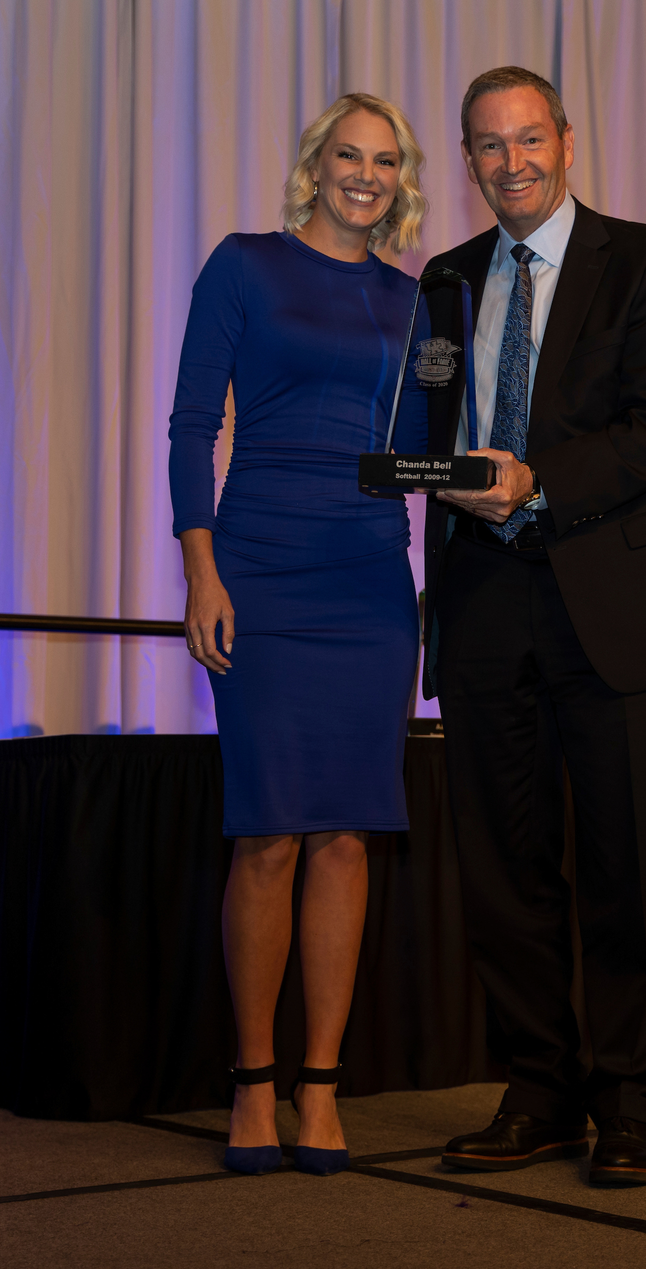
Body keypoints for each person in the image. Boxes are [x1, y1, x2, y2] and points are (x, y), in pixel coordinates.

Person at [419, 67, 646, 1186]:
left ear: (565, 139)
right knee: (501, 866)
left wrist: (537, 476)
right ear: (469, 161)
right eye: (489, 147)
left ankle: (633, 1101)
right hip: (483, 599)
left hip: (617, 603)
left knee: (627, 862)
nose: (512, 163)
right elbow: (422, 413)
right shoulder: (446, 278)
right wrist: (416, 463)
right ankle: (538, 1088)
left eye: (529, 139)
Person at [168, 93, 427, 1177]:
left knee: (347, 832)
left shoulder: (419, 303)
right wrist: (201, 571)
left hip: (371, 576)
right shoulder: (243, 263)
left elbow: (416, 445)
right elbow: (192, 424)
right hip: (262, 567)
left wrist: (485, 466)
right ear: (315, 165)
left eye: (384, 161)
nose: (363, 174)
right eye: (346, 155)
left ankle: (321, 1085)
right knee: (268, 830)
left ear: (399, 180)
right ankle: (253, 1079)